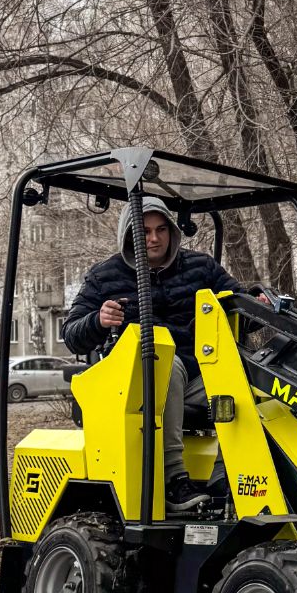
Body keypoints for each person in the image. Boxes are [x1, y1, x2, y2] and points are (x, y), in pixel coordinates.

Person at [61, 199, 248, 511]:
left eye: (161, 229)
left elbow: (237, 299)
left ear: (172, 232)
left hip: (196, 377)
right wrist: (98, 320)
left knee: (247, 376)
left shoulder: (200, 267)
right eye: (144, 231)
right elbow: (72, 335)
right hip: (135, 383)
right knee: (164, 360)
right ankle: (174, 478)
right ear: (129, 234)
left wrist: (256, 299)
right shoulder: (104, 276)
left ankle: (224, 474)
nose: (154, 238)